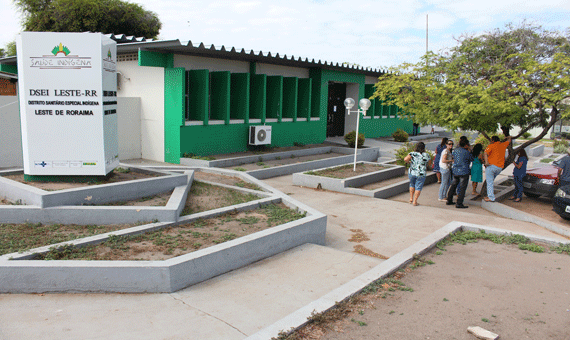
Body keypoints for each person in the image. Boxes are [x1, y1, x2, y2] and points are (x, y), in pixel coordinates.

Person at [483, 135, 513, 202]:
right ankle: (490, 195)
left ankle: (491, 197)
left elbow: (485, 153)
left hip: (491, 166)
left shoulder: (491, 146)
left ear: (492, 140)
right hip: (499, 168)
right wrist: (508, 137)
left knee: (489, 182)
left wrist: (486, 162)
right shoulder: (503, 145)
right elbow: (509, 140)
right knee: (491, 181)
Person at [404, 142, 433, 206]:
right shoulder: (426, 155)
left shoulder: (412, 153)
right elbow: (430, 163)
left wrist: (409, 162)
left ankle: (411, 198)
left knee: (412, 184)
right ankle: (415, 201)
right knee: (418, 187)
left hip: (412, 172)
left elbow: (405, 159)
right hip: (421, 173)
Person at [446, 139, 472, 208]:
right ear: (466, 144)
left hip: (455, 170)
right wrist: (469, 150)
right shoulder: (467, 152)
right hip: (464, 171)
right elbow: (471, 159)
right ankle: (459, 203)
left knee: (453, 185)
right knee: (462, 188)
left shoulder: (456, 150)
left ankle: (449, 200)